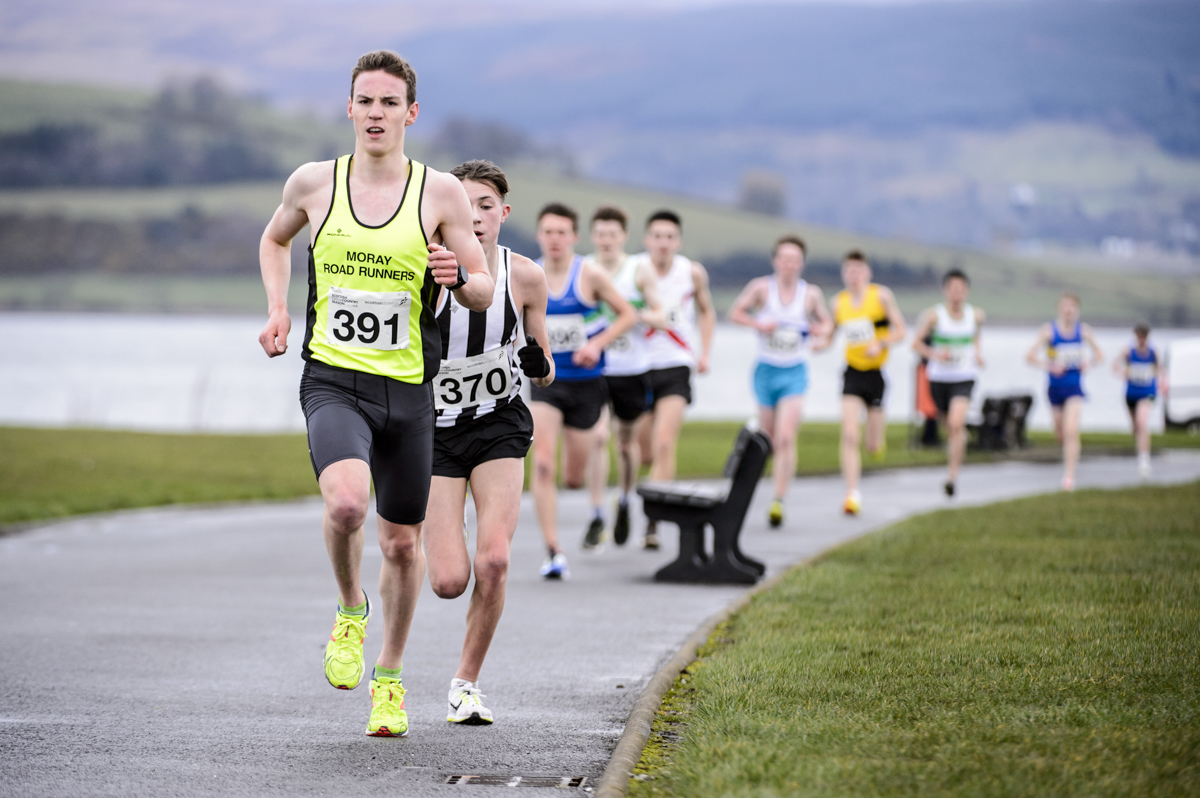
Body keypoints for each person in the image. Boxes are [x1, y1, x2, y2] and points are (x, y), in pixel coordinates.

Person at [257, 51, 496, 738]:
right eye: (365, 101)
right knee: (346, 502)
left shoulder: (441, 193)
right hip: (333, 377)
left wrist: (457, 276)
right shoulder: (313, 183)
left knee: (400, 544)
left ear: (410, 114)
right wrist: (278, 308)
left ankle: (388, 679)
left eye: (389, 103)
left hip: (408, 390)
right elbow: (273, 241)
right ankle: (349, 608)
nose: (376, 114)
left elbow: (481, 287)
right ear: (350, 108)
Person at [421, 160, 553, 725]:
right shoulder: (424, 267)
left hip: (499, 423)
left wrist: (537, 362)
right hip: (434, 431)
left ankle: (465, 685)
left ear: (502, 213)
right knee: (450, 581)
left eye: (484, 205)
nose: (473, 217)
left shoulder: (524, 276)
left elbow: (545, 371)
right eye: (463, 204)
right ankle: (426, 539)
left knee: (494, 561)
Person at [530, 203, 636, 577]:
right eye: (548, 232)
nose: (554, 239)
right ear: (539, 235)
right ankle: (553, 551)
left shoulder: (588, 275)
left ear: (575, 237)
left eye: (562, 232)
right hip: (547, 383)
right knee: (543, 463)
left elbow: (627, 314)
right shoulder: (530, 273)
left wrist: (596, 344)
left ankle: (596, 507)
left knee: (572, 476)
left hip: (587, 384)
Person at [727, 234, 831, 528]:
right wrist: (759, 324)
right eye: (784, 259)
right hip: (765, 371)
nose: (789, 265)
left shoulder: (810, 294)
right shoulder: (761, 288)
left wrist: (815, 330)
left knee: (786, 437)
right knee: (768, 439)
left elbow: (827, 323)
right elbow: (735, 312)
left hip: (794, 372)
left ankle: (778, 500)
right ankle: (751, 461)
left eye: (795, 260)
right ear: (776, 261)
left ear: (801, 263)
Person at [584, 206, 666, 546]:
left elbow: (662, 315)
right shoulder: (585, 269)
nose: (606, 240)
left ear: (623, 237)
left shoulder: (639, 268)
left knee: (626, 443)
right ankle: (597, 513)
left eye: (612, 234)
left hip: (632, 369)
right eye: (600, 234)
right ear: (593, 236)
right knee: (598, 437)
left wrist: (632, 315)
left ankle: (625, 499)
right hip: (596, 369)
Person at [636, 210, 716, 549]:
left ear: (678, 241)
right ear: (647, 240)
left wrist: (705, 353)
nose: (663, 243)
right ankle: (639, 493)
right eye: (657, 236)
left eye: (670, 237)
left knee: (665, 443)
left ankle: (653, 521)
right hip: (638, 366)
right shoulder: (635, 270)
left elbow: (707, 310)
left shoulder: (692, 272)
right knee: (643, 452)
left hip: (676, 365)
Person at [823, 249, 906, 516]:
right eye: (849, 270)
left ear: (867, 273)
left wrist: (880, 342)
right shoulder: (838, 302)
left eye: (858, 270)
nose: (853, 275)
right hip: (852, 373)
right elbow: (829, 335)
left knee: (872, 445)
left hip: (876, 373)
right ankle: (852, 493)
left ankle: (876, 442)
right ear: (843, 274)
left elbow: (901, 331)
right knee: (849, 435)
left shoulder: (881, 296)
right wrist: (817, 341)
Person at [911, 268, 985, 498]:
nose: (957, 294)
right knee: (950, 428)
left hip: (964, 377)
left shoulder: (976, 315)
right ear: (945, 291)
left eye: (961, 290)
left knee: (955, 421)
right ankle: (960, 440)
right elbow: (915, 344)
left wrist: (978, 353)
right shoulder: (934, 315)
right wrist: (935, 354)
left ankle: (952, 476)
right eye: (953, 289)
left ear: (967, 291)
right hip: (939, 379)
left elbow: (975, 338)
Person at [1025, 293, 1104, 491]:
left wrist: (1089, 363)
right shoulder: (1049, 332)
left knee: (1071, 430)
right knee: (1060, 433)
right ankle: (1067, 453)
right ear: (1059, 309)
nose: (1069, 311)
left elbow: (1100, 355)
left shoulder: (1083, 332)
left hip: (1075, 388)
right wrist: (1048, 365)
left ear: (1077, 310)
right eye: (1065, 307)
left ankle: (1069, 477)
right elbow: (1029, 356)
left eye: (1072, 307)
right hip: (1054, 389)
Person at [1114, 322, 1159, 478]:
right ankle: (1140, 446)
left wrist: (1163, 383)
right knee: (1135, 427)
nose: (1142, 339)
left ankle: (1144, 460)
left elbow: (1160, 370)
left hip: (1149, 394)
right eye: (1139, 336)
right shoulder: (1128, 351)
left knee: (1142, 422)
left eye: (1144, 336)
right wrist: (1123, 374)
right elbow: (1114, 366)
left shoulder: (1153, 352)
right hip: (1131, 394)